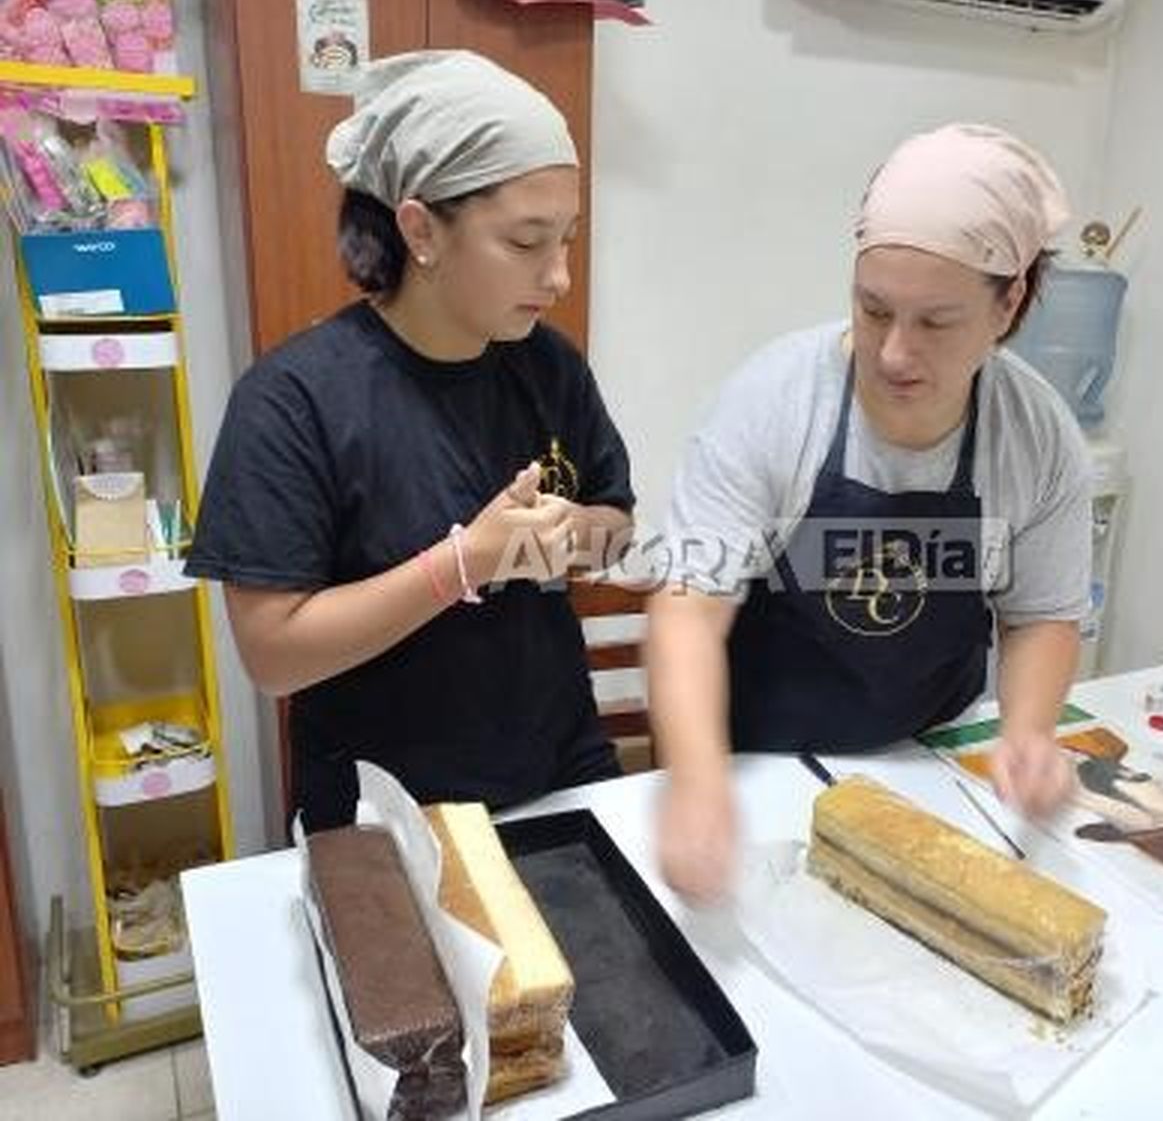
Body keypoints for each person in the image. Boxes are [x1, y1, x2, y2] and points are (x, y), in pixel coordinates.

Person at [185, 51, 634, 830]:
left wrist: (578, 534)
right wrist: (464, 561)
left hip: (562, 768)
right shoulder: (295, 400)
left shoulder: (548, 365)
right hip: (386, 812)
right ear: (421, 229)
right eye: (527, 241)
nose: (560, 275)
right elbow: (273, 653)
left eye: (567, 237)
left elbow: (617, 523)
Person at [649, 124, 1092, 900]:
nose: (893, 351)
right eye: (873, 309)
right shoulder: (774, 401)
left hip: (933, 762)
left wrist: (1026, 731)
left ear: (1010, 301)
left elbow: (1040, 616)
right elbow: (689, 606)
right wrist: (695, 779)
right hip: (764, 766)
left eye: (936, 322)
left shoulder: (1035, 431)